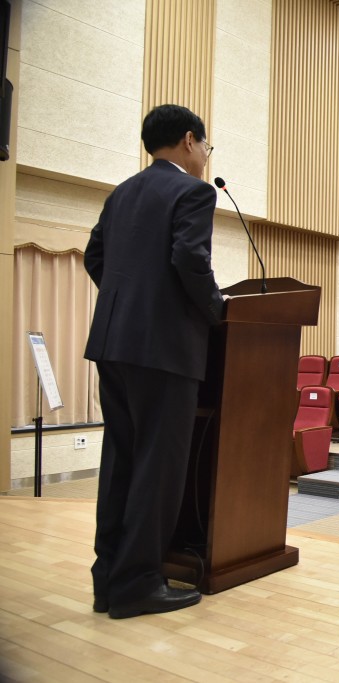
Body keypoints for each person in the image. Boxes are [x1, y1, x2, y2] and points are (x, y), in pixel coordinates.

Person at [85, 104, 223, 619]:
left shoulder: (121, 193)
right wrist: (216, 312)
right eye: (207, 146)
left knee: (120, 460)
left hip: (113, 344)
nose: (208, 157)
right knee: (158, 467)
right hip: (165, 350)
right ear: (190, 141)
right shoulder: (193, 191)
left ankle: (108, 580)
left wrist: (132, 303)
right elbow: (191, 260)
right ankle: (139, 582)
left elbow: (93, 257)